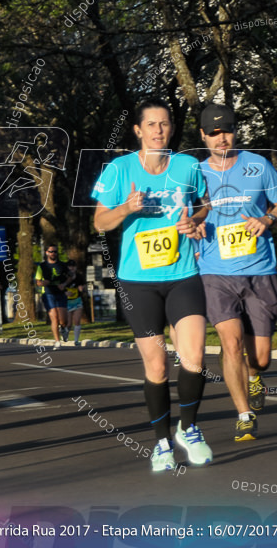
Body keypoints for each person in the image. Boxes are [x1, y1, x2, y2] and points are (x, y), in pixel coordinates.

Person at [92, 99, 212, 471]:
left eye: (164, 124)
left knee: (194, 358)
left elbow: (205, 205)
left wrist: (196, 219)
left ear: (171, 128)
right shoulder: (118, 169)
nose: (158, 130)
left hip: (182, 274)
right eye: (151, 125)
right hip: (138, 281)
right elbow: (100, 223)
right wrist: (127, 208)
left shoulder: (188, 166)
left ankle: (188, 429)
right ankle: (161, 443)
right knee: (157, 366)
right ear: (138, 131)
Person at [196, 104, 277, 441]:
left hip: (260, 268)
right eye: (215, 133)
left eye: (228, 130)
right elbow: (187, 214)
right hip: (214, 271)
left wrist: (268, 219)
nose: (223, 138)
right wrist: (191, 225)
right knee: (231, 343)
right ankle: (244, 414)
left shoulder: (257, 165)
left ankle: (254, 377)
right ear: (203, 136)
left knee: (261, 358)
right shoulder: (196, 173)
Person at [35, 245, 71, 346]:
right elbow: (37, 282)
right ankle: (57, 341)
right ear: (47, 253)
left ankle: (64, 329)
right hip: (48, 293)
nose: (53, 253)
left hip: (60, 293)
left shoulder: (62, 265)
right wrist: (43, 283)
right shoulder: (42, 266)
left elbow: (71, 276)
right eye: (51, 251)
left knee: (63, 320)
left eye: (55, 252)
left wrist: (64, 284)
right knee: (54, 316)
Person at [65, 260, 86, 346]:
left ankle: (76, 340)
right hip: (67, 302)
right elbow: (59, 288)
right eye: (70, 266)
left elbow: (84, 286)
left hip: (77, 301)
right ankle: (64, 334)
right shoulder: (64, 277)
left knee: (77, 321)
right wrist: (65, 293)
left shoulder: (79, 277)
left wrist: (82, 288)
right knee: (68, 323)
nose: (72, 268)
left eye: (73, 266)